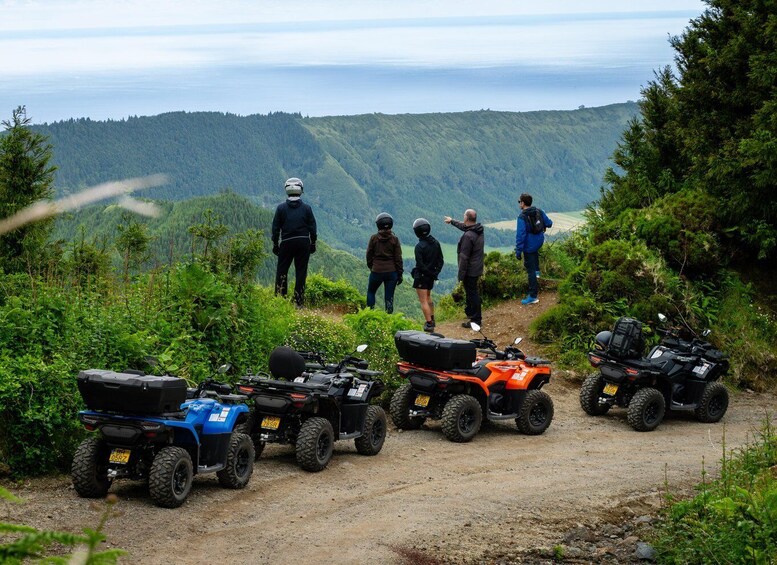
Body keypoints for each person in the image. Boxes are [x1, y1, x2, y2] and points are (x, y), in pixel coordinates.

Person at [271, 177, 317, 307]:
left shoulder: (281, 208)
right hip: (303, 242)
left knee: (282, 271)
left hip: (286, 242)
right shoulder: (307, 208)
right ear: (301, 190)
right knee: (301, 272)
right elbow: (312, 227)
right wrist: (313, 243)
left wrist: (275, 244)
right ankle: (298, 301)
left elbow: (275, 228)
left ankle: (280, 298)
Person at [444, 209, 484, 328]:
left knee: (472, 294)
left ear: (466, 218)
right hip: (477, 267)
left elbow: (464, 257)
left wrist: (461, 275)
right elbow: (465, 227)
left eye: (464, 216)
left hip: (470, 270)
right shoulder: (477, 230)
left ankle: (476, 320)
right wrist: (452, 221)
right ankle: (472, 314)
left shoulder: (468, 236)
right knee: (472, 292)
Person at [515, 193, 552, 305]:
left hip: (529, 246)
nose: (519, 204)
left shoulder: (522, 217)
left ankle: (533, 296)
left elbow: (520, 235)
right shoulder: (539, 211)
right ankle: (537, 273)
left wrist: (518, 251)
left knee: (529, 269)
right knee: (534, 257)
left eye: (519, 202)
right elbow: (549, 223)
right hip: (539, 242)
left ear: (522, 203)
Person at [411, 218, 444, 332]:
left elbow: (420, 265)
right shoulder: (435, 243)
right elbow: (441, 260)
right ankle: (432, 318)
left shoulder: (419, 247)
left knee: (423, 300)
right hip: (431, 276)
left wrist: (426, 273)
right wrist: (435, 274)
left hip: (422, 277)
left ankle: (429, 323)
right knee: (429, 297)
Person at [366, 212, 403, 314]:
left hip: (376, 270)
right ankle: (389, 318)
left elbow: (369, 255)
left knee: (371, 292)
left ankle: (369, 314)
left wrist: (372, 267)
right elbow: (398, 258)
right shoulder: (394, 240)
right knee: (389, 297)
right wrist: (399, 274)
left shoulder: (373, 238)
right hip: (392, 272)